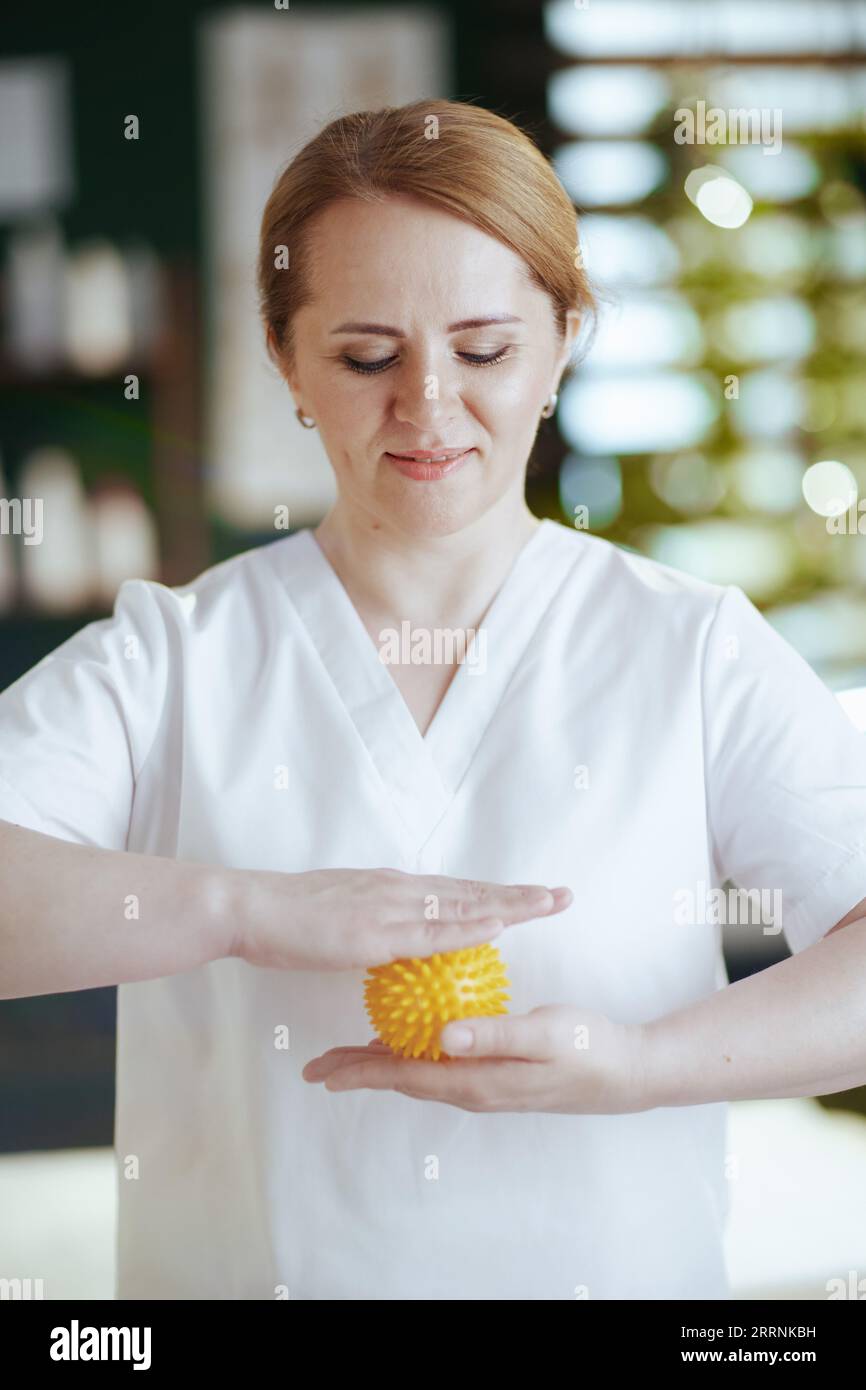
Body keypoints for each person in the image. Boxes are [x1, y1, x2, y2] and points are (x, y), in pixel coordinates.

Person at [2, 98, 866, 1302]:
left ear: (564, 339)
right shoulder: (173, 659)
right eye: (367, 356)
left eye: (483, 349)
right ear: (285, 356)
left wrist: (640, 1062)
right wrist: (242, 910)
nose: (425, 406)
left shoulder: (689, 646)